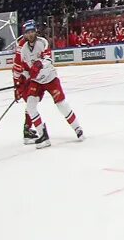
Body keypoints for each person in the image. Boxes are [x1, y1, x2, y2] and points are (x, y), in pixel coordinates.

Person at [12, 20, 83, 149]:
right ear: (25, 34)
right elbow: (26, 70)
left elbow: (48, 60)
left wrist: (39, 64)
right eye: (28, 32)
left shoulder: (42, 42)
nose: (31, 34)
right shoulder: (23, 50)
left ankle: (77, 128)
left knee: (61, 104)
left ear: (36, 31)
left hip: (50, 78)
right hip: (37, 82)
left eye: (32, 31)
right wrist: (22, 80)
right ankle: (43, 135)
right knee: (30, 106)